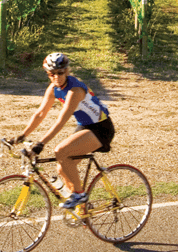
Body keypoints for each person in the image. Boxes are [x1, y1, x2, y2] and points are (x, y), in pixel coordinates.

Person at [9, 52, 115, 210]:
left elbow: (61, 120)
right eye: (52, 74)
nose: (57, 77)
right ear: (48, 74)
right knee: (62, 167)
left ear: (67, 71)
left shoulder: (75, 90)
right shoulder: (54, 88)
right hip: (85, 125)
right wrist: (22, 136)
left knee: (60, 151)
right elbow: (40, 114)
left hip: (101, 127)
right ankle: (83, 209)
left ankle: (79, 194)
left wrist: (41, 144)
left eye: (60, 73)